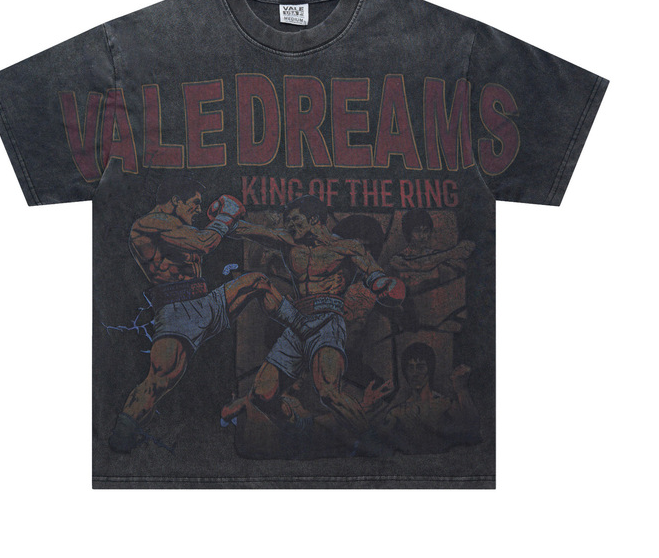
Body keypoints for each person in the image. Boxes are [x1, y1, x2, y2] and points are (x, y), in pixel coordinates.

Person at [108, 173, 310, 452]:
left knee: (258, 282)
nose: (198, 209)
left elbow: (231, 231)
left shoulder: (181, 226)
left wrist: (287, 238)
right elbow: (205, 243)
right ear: (175, 200)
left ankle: (304, 328)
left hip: (205, 302)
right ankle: (121, 438)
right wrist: (226, 215)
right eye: (194, 203)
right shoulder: (151, 223)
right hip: (177, 311)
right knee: (158, 382)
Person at [220, 195, 405, 441]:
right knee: (262, 395)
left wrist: (383, 283)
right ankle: (301, 428)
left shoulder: (346, 247)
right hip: (298, 321)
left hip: (327, 320)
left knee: (328, 391)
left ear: (314, 219)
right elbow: (252, 231)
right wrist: (225, 219)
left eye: (295, 220)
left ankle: (373, 442)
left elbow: (374, 274)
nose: (290, 226)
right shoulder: (289, 242)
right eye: (287, 221)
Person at [379, 342, 481, 453]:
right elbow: (382, 440)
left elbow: (472, 427)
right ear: (405, 371)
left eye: (420, 367)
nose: (415, 373)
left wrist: (461, 390)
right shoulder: (398, 412)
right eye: (410, 368)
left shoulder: (444, 404)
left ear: (430, 369)